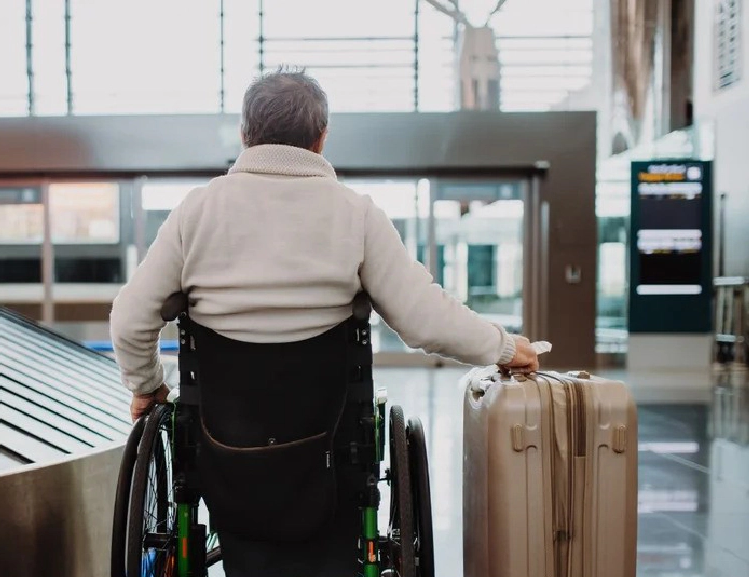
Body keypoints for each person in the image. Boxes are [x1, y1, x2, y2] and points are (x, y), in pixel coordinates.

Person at [110, 69, 538, 419]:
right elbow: (423, 318)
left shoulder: (195, 211)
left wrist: (147, 386)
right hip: (328, 443)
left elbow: (130, 318)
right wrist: (501, 345)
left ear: (244, 135)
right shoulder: (357, 214)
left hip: (219, 443)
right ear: (321, 137)